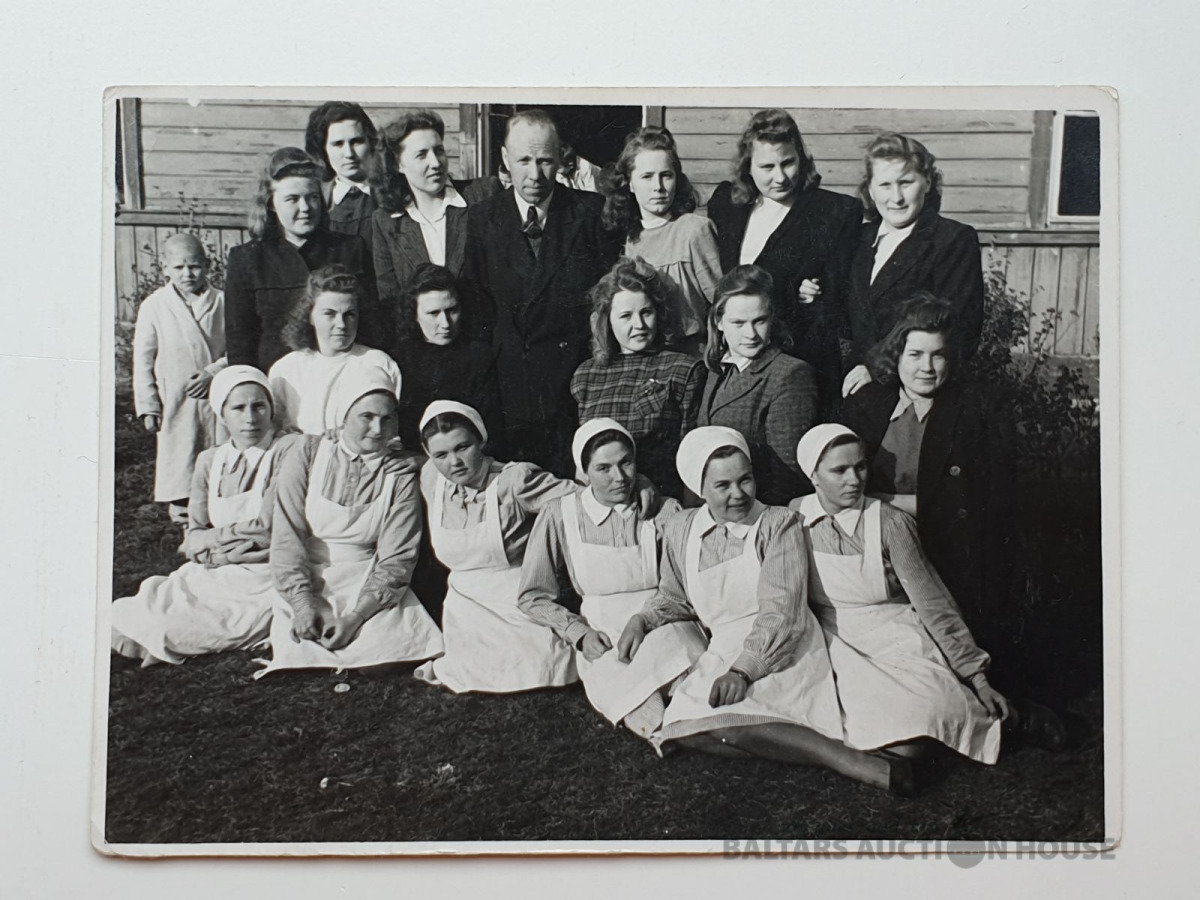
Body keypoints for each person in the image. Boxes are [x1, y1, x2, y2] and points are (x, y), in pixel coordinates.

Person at [617, 427, 914, 794]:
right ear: (699, 488)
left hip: (782, 647)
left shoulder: (777, 523)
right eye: (723, 486)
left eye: (745, 480)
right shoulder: (681, 529)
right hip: (724, 651)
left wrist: (744, 671)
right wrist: (642, 619)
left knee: (727, 723)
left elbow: (782, 611)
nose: (739, 493)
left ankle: (854, 763)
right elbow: (675, 596)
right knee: (681, 729)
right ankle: (822, 752)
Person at [789, 424, 1005, 764]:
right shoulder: (794, 516)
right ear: (813, 475)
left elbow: (933, 603)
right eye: (839, 470)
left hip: (894, 635)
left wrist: (976, 676)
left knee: (929, 718)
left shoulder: (890, 523)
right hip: (832, 640)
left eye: (860, 467)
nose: (854, 479)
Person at [838, 294, 1015, 665]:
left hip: (945, 557)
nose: (927, 368)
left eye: (938, 355)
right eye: (915, 355)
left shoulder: (973, 414)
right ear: (897, 356)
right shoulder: (867, 404)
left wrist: (879, 501)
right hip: (874, 556)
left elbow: (976, 503)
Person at [518, 419, 708, 739]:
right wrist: (579, 633)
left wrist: (649, 619)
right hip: (603, 630)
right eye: (603, 468)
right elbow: (532, 595)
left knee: (688, 671)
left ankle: (692, 717)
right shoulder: (560, 514)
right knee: (628, 691)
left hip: (663, 617)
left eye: (626, 463)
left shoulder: (664, 511)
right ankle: (669, 728)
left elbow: (682, 586)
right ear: (584, 472)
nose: (619, 478)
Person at [462, 109, 620, 475]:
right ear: (505, 159)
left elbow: (605, 305)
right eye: (524, 161)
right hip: (509, 392)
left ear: (561, 158)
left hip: (572, 390)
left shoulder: (590, 213)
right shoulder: (482, 219)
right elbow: (477, 309)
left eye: (545, 161)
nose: (535, 174)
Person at [258, 370, 444, 675]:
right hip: (306, 574)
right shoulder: (307, 452)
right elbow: (287, 535)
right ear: (343, 416)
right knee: (304, 643)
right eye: (366, 417)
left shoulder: (399, 473)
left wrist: (356, 617)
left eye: (387, 419)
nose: (377, 429)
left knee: (381, 660)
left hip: (366, 579)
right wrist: (304, 603)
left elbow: (397, 557)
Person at [111, 366, 290, 666]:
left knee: (169, 627)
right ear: (222, 413)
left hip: (263, 576)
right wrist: (216, 553)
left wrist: (212, 542)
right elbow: (194, 532)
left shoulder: (285, 454)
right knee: (135, 608)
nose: (250, 418)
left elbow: (267, 532)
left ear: (271, 409)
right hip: (212, 568)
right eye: (238, 408)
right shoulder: (210, 460)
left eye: (259, 406)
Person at [412, 401, 579, 693]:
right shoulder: (431, 478)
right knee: (475, 665)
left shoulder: (513, 480)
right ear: (429, 455)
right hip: (463, 609)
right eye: (441, 454)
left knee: (542, 666)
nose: (454, 462)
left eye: (462, 447)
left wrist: (638, 485)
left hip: (517, 600)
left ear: (480, 440)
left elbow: (581, 499)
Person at [706, 110, 861, 414]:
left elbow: (842, 295)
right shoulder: (727, 204)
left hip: (798, 362)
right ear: (747, 166)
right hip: (735, 357)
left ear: (801, 159)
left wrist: (814, 294)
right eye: (767, 166)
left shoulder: (833, 212)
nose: (780, 177)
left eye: (788, 162)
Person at [842, 132, 986, 398]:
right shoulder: (857, 240)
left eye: (906, 183)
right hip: (855, 387)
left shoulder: (952, 239)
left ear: (927, 182)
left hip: (919, 392)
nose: (896, 197)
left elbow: (958, 328)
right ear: (870, 189)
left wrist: (876, 370)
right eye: (885, 185)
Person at [224, 146, 378, 373]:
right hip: (276, 382)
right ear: (271, 204)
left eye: (312, 197)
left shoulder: (350, 249)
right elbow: (240, 345)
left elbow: (371, 327)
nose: (305, 208)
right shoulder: (247, 260)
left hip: (342, 376)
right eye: (292, 199)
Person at [570, 256, 704, 498]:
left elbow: (691, 453)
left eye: (646, 312)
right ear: (607, 321)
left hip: (661, 498)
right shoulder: (586, 375)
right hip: (602, 500)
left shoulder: (682, 369)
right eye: (625, 316)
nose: (639, 324)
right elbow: (583, 460)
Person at [696, 265, 818, 504]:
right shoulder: (716, 370)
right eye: (738, 323)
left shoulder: (790, 374)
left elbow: (789, 475)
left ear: (771, 318)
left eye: (759, 321)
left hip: (758, 511)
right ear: (719, 322)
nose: (750, 334)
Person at [133, 233, 228, 525]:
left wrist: (213, 372)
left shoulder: (222, 301)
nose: (188, 274)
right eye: (179, 267)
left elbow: (237, 348)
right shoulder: (155, 305)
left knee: (217, 455)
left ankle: (218, 517)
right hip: (174, 395)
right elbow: (143, 359)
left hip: (215, 395)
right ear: (165, 268)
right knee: (181, 455)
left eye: (195, 266)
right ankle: (184, 518)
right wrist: (149, 405)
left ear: (207, 265)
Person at [599, 126, 721, 350]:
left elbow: (722, 302)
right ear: (630, 184)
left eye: (666, 176)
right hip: (644, 355)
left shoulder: (694, 229)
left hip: (691, 353)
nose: (658, 187)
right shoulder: (630, 240)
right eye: (647, 177)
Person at [371, 110, 500, 319]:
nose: (436, 162)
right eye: (421, 155)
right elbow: (390, 301)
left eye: (439, 150)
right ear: (398, 164)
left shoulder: (482, 195)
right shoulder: (387, 222)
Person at [267, 265, 401, 436]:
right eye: (329, 314)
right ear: (310, 316)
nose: (341, 324)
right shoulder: (287, 369)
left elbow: (390, 432)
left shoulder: (378, 363)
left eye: (349, 314)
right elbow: (272, 431)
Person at [391, 263, 501, 451]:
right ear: (414, 314)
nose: (445, 323)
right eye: (433, 313)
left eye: (452, 310)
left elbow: (491, 428)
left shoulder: (478, 355)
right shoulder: (399, 359)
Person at [305, 101, 381, 244]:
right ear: (324, 150)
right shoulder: (316, 201)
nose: (349, 153)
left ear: (370, 143)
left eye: (356, 141)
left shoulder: (389, 194)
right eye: (338, 144)